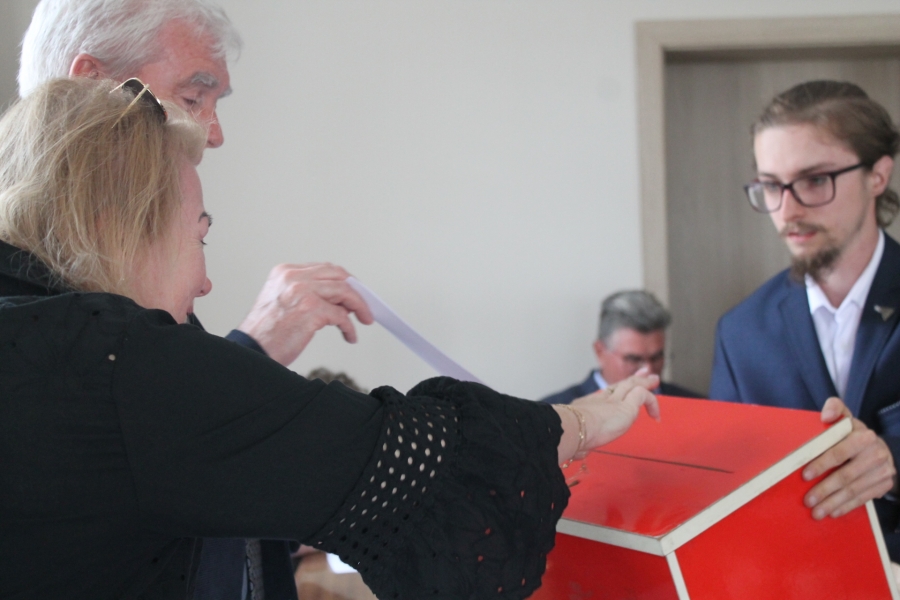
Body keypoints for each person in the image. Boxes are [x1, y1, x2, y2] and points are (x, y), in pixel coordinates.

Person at [0, 77, 661, 600]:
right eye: (199, 236)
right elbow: (412, 456)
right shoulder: (117, 360)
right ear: (117, 227)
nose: (204, 281)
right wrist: (581, 420)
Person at [16, 2, 375, 597]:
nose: (214, 133)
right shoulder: (59, 337)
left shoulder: (123, 292)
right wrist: (248, 353)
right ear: (92, 84)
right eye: (193, 97)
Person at [709, 80, 900, 559]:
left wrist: (892, 459)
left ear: (878, 175)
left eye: (815, 180)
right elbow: (728, 493)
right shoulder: (741, 332)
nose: (787, 211)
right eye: (772, 186)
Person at [542, 290, 702, 404]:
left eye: (657, 357)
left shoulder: (693, 406)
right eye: (633, 359)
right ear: (600, 352)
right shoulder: (556, 413)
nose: (647, 371)